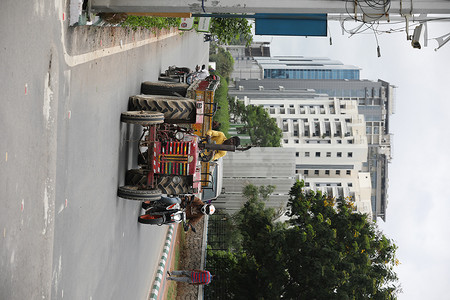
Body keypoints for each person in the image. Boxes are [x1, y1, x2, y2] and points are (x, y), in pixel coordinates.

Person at [141, 195, 215, 228]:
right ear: (207, 205)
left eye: (207, 211)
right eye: (207, 208)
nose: (206, 210)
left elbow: (193, 222)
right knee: (171, 200)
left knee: (170, 223)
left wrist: (188, 227)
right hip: (180, 204)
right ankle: (156, 197)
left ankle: (154, 219)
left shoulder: (199, 216)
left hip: (180, 214)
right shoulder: (199, 202)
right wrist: (187, 199)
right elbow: (192, 198)